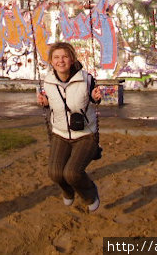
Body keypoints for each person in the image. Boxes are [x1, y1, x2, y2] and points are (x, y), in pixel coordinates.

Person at [37, 42, 102, 212]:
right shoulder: (48, 82)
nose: (61, 61)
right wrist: (45, 103)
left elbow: (95, 98)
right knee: (55, 173)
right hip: (60, 133)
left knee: (72, 173)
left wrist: (96, 98)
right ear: (51, 61)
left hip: (86, 134)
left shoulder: (86, 79)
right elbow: (54, 102)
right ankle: (68, 192)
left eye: (65, 56)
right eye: (56, 57)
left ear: (72, 59)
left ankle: (90, 194)